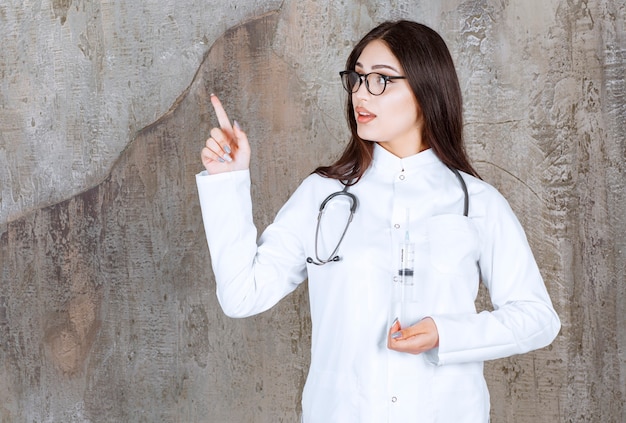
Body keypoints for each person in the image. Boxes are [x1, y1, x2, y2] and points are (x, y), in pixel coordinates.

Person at [196, 20, 560, 423]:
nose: (360, 94)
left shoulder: (476, 202)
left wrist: (448, 334)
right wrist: (227, 182)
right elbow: (242, 295)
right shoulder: (324, 194)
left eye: (381, 80)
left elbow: (537, 318)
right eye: (357, 78)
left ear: (427, 89)